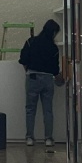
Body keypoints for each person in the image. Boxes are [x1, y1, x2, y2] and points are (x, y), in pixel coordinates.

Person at [18, 19, 61, 147]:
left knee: (30, 109)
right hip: (48, 79)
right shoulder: (53, 47)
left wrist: (29, 71)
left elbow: (23, 60)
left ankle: (29, 138)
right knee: (48, 110)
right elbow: (55, 69)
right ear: (53, 32)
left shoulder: (30, 42)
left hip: (33, 77)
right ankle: (48, 139)